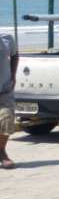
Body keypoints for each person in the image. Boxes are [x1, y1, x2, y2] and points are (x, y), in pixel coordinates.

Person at [0, 32, 17, 169]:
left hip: (4, 89)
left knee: (7, 119)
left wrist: (13, 74)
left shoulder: (7, 38)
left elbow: (14, 55)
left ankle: (1, 152)